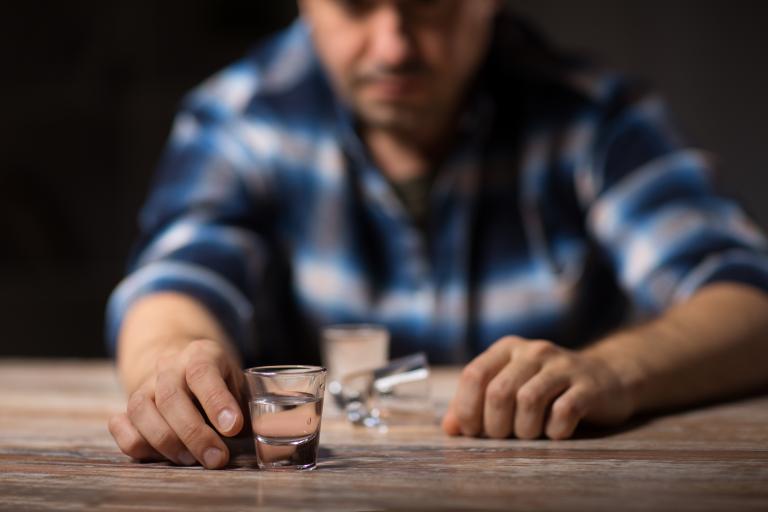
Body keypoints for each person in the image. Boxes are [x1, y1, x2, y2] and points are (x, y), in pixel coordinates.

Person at [106, 0, 768, 469]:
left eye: (428, 4)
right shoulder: (238, 120)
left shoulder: (594, 119)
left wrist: (613, 369)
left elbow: (747, 297)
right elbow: (179, 278)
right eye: (356, 5)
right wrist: (174, 357)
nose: (393, 46)